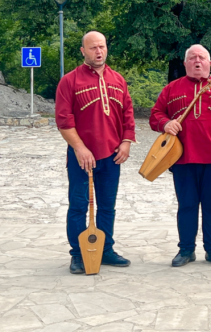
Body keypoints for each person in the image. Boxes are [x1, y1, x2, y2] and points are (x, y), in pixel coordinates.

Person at [149, 44, 211, 268]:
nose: (197, 61)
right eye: (192, 58)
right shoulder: (172, 89)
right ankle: (186, 250)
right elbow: (155, 115)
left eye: (202, 58)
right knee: (187, 205)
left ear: (210, 63)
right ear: (185, 64)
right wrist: (166, 123)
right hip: (182, 159)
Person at [55, 31, 136, 274]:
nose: (98, 52)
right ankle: (78, 254)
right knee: (79, 205)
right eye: (92, 48)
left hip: (112, 156)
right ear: (83, 51)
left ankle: (106, 249)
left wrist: (126, 142)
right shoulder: (69, 81)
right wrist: (79, 148)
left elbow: (128, 114)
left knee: (107, 206)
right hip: (82, 157)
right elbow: (63, 120)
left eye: (101, 47)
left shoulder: (118, 79)